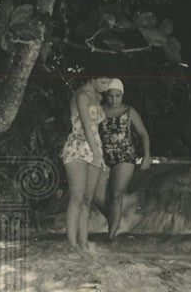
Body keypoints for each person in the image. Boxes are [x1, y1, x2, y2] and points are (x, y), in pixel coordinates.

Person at [94, 79, 151, 240]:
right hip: (104, 157)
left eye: (117, 96)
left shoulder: (129, 111)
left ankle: (111, 236)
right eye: (110, 96)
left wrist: (146, 155)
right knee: (96, 195)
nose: (114, 100)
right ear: (106, 95)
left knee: (115, 195)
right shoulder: (99, 111)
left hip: (125, 156)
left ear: (122, 95)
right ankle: (116, 220)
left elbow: (143, 134)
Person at [61, 76, 111, 251]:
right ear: (93, 78)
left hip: (94, 149)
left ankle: (83, 242)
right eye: (103, 82)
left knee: (88, 199)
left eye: (108, 83)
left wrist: (99, 153)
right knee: (77, 197)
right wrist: (97, 154)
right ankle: (72, 244)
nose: (106, 87)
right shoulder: (82, 95)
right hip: (78, 148)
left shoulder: (98, 97)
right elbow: (86, 126)